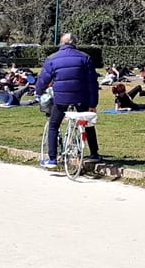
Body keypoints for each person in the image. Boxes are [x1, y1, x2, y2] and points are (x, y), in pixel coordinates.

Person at [35, 33, 101, 169]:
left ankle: (52, 159)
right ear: (75, 43)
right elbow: (92, 83)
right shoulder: (85, 58)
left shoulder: (52, 59)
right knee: (87, 124)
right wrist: (92, 104)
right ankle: (94, 153)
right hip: (81, 98)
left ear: (61, 43)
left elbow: (43, 80)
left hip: (61, 99)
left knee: (54, 125)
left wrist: (39, 91)